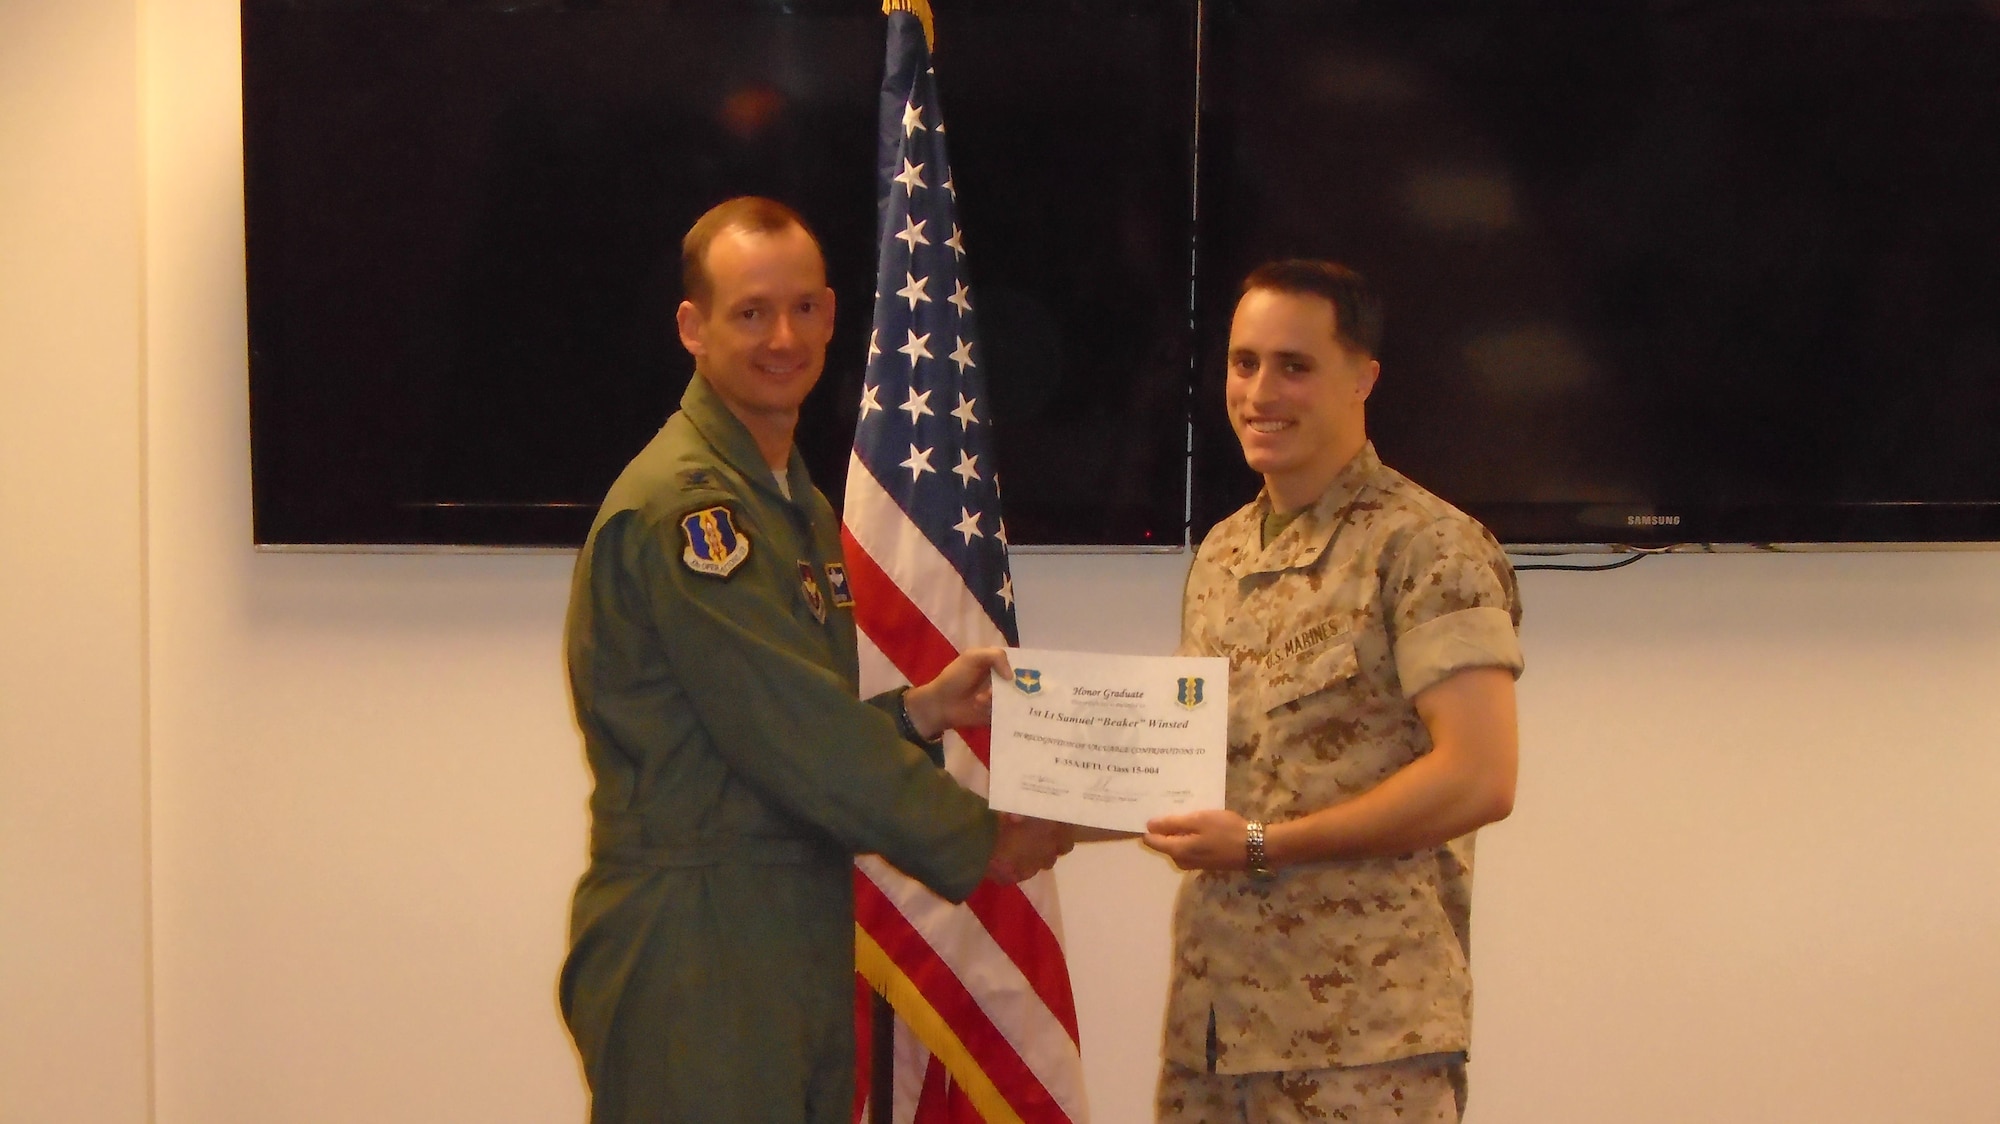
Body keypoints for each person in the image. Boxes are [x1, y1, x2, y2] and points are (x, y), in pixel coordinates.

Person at [558, 196, 1071, 1124]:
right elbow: (792, 734)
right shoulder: (691, 512)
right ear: (693, 328)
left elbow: (770, 735)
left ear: (834, 316)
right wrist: (979, 838)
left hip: (779, 929)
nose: (782, 337)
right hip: (699, 944)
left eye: (802, 308)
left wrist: (920, 713)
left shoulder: (786, 498)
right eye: (750, 312)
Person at [1143, 260, 1524, 1123]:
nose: (1260, 391)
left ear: (1363, 377)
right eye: (1244, 363)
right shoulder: (1223, 554)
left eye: (1294, 365)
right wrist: (1031, 763)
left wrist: (1261, 844)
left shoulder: (1428, 547)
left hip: (1361, 1042)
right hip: (1213, 1031)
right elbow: (1179, 759)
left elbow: (1480, 777)